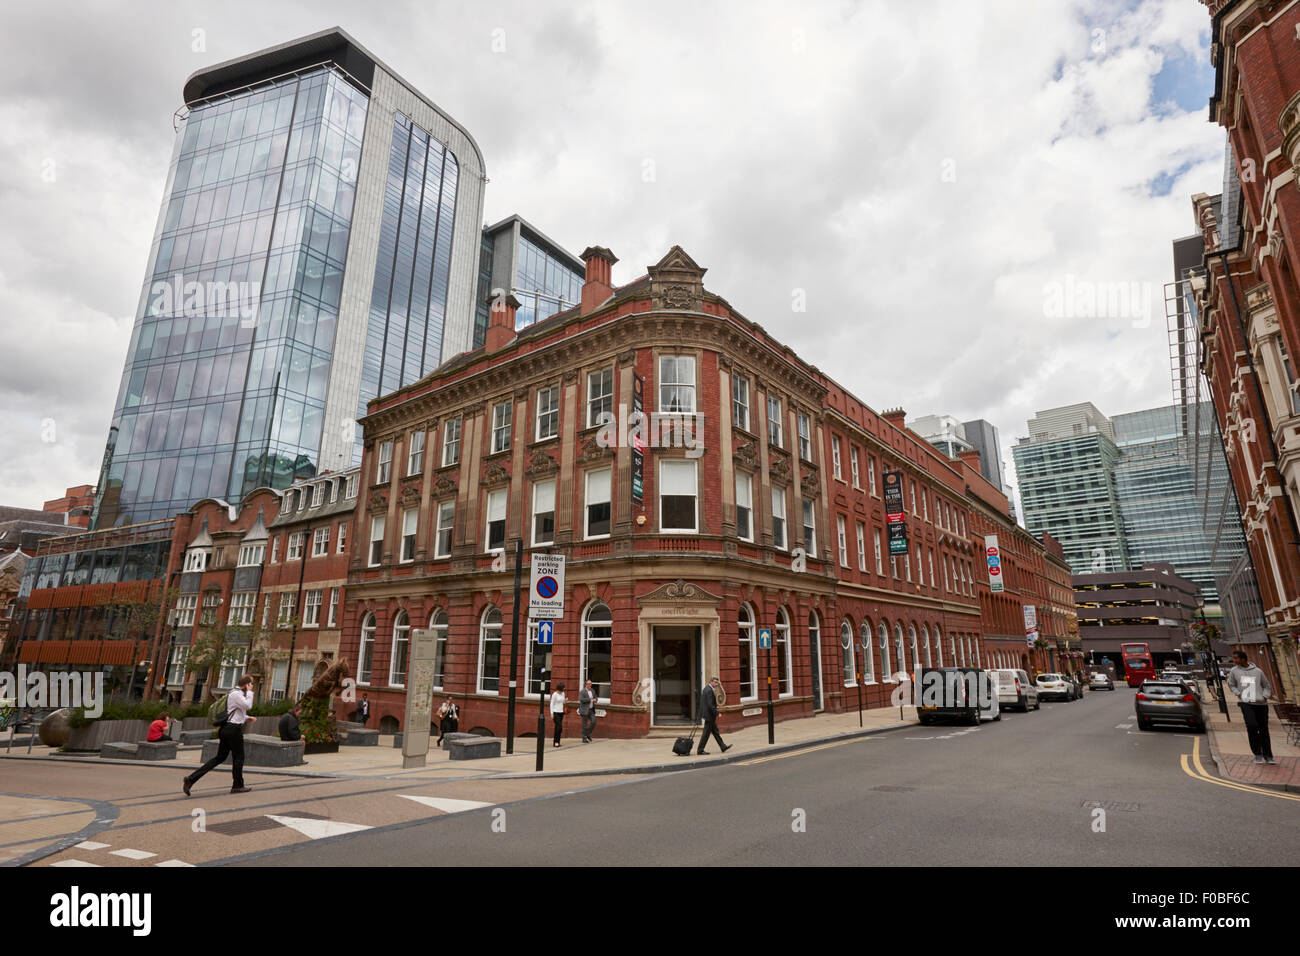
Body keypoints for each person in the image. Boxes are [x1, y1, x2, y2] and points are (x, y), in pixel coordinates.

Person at [183, 676, 257, 796]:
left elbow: (235, 712)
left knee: (220, 757)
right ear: (247, 684)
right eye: (251, 684)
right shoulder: (237, 694)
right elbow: (248, 706)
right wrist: (249, 693)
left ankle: (191, 779)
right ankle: (237, 786)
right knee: (239, 757)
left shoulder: (234, 693)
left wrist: (248, 718)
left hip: (227, 728)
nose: (252, 686)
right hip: (233, 730)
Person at [1227, 651, 1276, 765]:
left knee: (1264, 730)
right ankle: (1257, 754)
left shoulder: (1257, 671)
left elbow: (1266, 685)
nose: (1234, 661)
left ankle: (1268, 756)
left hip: (1261, 704)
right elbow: (1231, 684)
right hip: (1246, 703)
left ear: (1243, 659)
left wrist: (1265, 696)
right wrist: (1238, 693)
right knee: (1252, 726)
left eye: (1236, 658)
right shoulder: (1234, 671)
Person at [697, 676, 731, 755]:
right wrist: (717, 713)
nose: (716, 684)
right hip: (709, 715)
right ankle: (700, 750)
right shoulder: (709, 690)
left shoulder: (707, 689)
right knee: (706, 734)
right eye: (715, 682)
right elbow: (710, 705)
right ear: (711, 682)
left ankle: (723, 746)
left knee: (715, 732)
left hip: (709, 715)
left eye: (717, 682)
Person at [550, 682, 567, 747]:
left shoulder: (563, 693)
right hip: (555, 712)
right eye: (563, 687)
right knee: (559, 727)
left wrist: (565, 700)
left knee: (558, 728)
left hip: (561, 712)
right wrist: (551, 713)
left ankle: (557, 742)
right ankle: (555, 742)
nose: (564, 688)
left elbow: (563, 702)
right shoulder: (554, 694)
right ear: (560, 688)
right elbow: (552, 704)